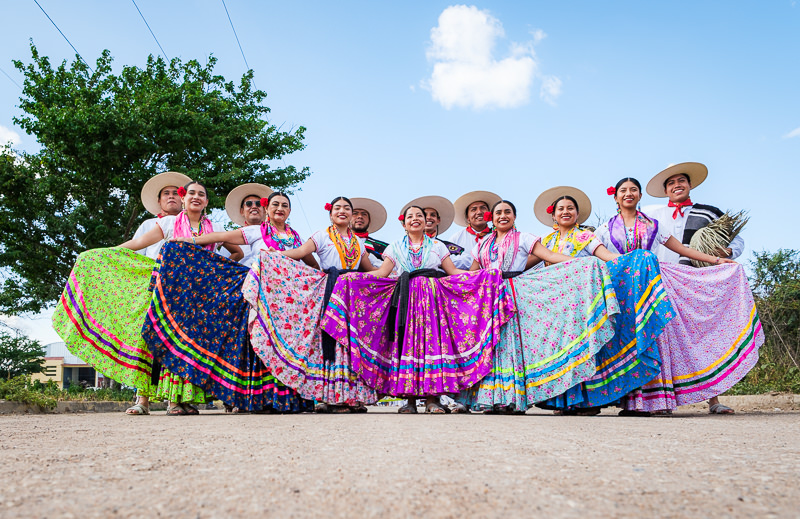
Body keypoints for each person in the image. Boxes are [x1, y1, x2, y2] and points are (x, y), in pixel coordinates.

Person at [320, 205, 514, 414]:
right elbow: (382, 273)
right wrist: (352, 278)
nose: (415, 219)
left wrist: (486, 274)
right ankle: (410, 402)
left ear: (424, 222)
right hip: (405, 301)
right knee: (406, 346)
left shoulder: (438, 246)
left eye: (419, 215)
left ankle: (432, 400)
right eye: (410, 216)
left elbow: (453, 272)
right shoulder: (394, 247)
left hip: (433, 301)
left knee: (433, 346)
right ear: (404, 224)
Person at [603, 174, 763, 416]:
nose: (628, 193)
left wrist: (718, 259)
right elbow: (594, 253)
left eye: (633, 189)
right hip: (626, 290)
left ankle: (663, 401)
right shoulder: (609, 227)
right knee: (631, 342)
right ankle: (634, 402)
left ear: (640, 195)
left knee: (667, 340)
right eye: (623, 190)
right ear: (615, 197)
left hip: (659, 285)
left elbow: (683, 248)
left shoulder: (660, 222)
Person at [457, 200, 620, 414]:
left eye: (508, 212)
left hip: (514, 295)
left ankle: (512, 400)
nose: (503, 216)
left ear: (514, 217)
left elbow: (550, 257)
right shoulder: (481, 246)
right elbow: (473, 274)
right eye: (499, 213)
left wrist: (581, 262)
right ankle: (491, 399)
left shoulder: (524, 238)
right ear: (492, 219)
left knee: (512, 346)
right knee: (493, 346)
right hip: (490, 298)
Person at [168, 188, 317, 413]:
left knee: (286, 348)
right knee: (260, 345)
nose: (280, 208)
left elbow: (312, 264)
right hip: (261, 299)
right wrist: (190, 240)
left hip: (288, 305)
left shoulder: (297, 239)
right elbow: (221, 237)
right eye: (275, 204)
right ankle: (260, 400)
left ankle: (288, 400)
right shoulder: (256, 231)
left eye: (284, 205)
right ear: (267, 209)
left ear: (289, 211)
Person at [532, 186, 672, 415]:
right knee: (563, 353)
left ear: (577, 214)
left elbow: (607, 257)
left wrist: (636, 259)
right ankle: (563, 402)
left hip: (584, 302)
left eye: (570, 208)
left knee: (587, 352)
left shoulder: (586, 237)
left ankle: (588, 403)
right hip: (558, 307)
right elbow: (525, 266)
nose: (566, 212)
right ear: (553, 215)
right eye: (561, 209)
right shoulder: (545, 241)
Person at [119, 180, 243, 415]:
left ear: (206, 202)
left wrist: (215, 272)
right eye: (191, 193)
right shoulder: (168, 223)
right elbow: (138, 243)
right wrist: (112, 251)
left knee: (189, 345)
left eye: (201, 194)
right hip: (169, 293)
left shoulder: (214, 228)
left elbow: (237, 252)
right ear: (183, 198)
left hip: (199, 297)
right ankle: (165, 401)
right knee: (163, 342)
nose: (196, 197)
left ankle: (184, 400)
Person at [244, 196, 378, 413]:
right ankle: (333, 399)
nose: (342, 211)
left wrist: (392, 271)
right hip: (331, 290)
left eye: (347, 208)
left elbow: (370, 270)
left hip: (352, 295)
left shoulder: (359, 243)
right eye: (337, 208)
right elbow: (300, 253)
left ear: (351, 214)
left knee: (350, 343)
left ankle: (351, 398)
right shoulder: (321, 236)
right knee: (332, 341)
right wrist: (276, 255)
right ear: (330, 214)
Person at [126, 171, 190, 415]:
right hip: (152, 288)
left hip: (181, 290)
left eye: (176, 193)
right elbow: (134, 254)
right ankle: (142, 399)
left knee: (177, 343)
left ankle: (175, 400)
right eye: (166, 194)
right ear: (159, 201)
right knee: (147, 342)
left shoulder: (196, 226)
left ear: (183, 199)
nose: (171, 196)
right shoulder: (148, 225)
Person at [448, 190, 502, 269]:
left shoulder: (499, 236)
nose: (479, 212)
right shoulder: (456, 238)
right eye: (473, 209)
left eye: (483, 208)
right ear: (468, 217)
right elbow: (448, 263)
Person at [350, 197, 389, 268]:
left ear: (369, 221)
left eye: (364, 214)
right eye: (355, 214)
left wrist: (368, 256)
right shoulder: (336, 242)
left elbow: (391, 269)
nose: (360, 216)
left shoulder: (383, 247)